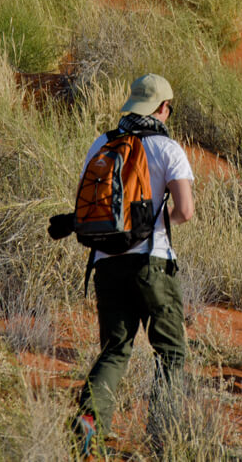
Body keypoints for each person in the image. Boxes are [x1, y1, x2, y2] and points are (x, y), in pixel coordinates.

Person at [72, 73, 195, 451]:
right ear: (162, 108)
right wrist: (155, 226)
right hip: (151, 263)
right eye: (169, 107)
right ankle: (165, 435)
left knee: (115, 347)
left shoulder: (103, 142)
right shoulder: (167, 148)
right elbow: (186, 211)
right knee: (171, 351)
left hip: (105, 261)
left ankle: (90, 422)